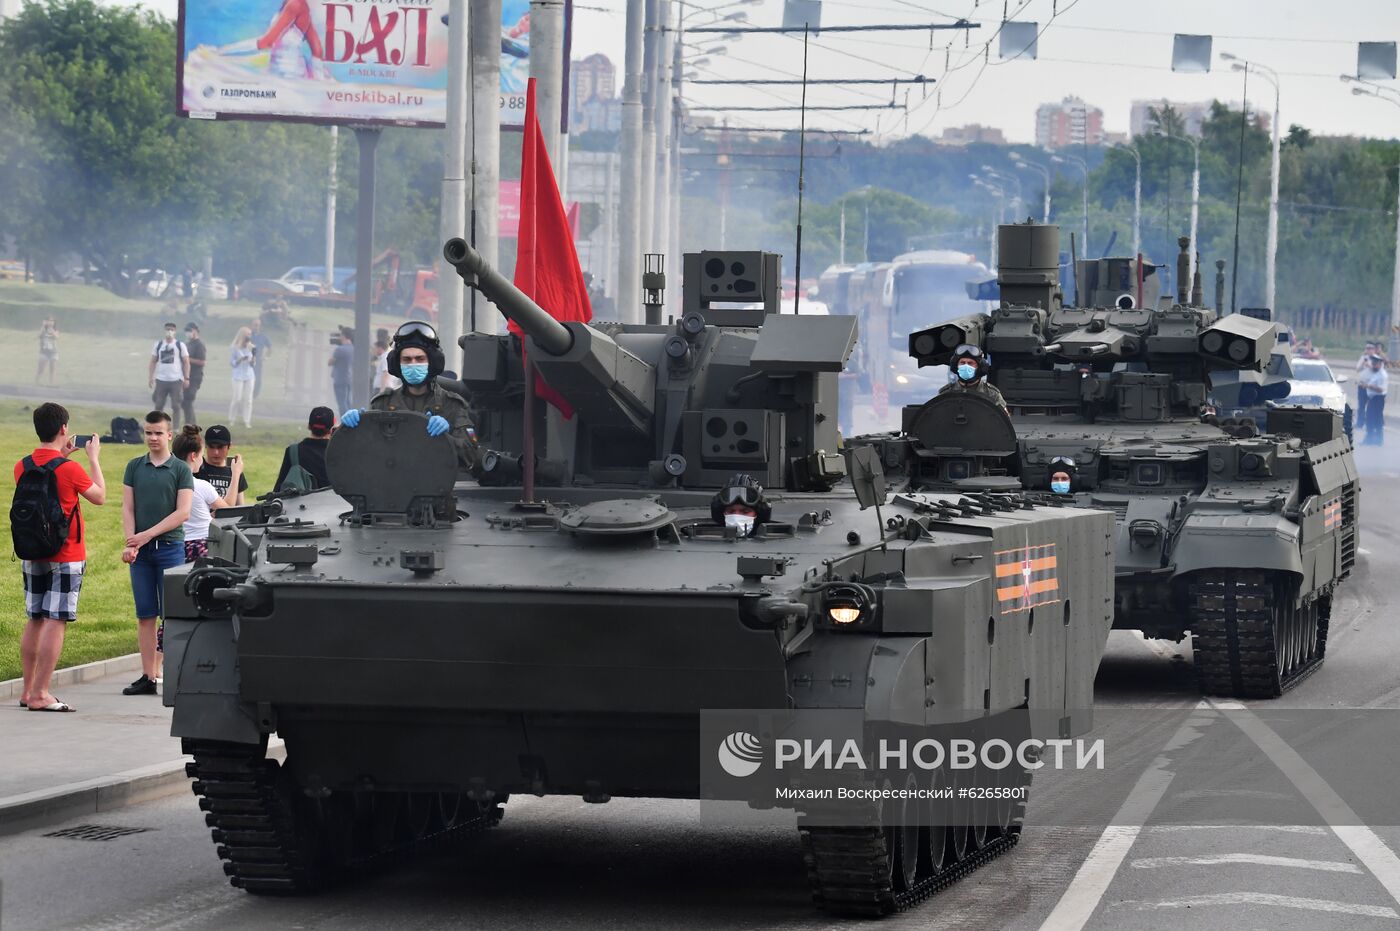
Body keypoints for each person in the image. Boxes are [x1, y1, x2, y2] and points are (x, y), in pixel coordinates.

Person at [14, 403, 106, 713]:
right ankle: (42, 693)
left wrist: (62, 457)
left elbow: (46, 479)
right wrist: (93, 459)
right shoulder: (70, 469)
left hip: (33, 550)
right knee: (56, 619)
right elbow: (99, 496)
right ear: (64, 429)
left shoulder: (22, 465)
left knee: (35, 618)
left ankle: (28, 690)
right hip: (66, 553)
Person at [340, 322, 483, 475]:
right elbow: (365, 453)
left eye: (420, 359)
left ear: (432, 362)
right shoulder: (383, 403)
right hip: (391, 489)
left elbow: (471, 456)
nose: (413, 364)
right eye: (406, 360)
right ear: (397, 364)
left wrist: (447, 438)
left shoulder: (452, 405)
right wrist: (354, 430)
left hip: (438, 489)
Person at [120, 411, 193, 696]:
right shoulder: (134, 466)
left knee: (171, 615)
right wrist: (131, 543)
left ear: (169, 435)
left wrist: (147, 535)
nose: (152, 438)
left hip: (169, 549)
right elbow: (128, 507)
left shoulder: (180, 469)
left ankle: (174, 675)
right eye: (148, 432)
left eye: (158, 433)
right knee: (145, 614)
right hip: (141, 552)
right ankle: (148, 676)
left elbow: (183, 512)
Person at [274, 406, 335, 491]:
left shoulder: (293, 451)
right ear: (331, 430)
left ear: (309, 426)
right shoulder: (338, 452)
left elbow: (278, 489)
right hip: (334, 503)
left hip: (301, 504)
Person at [937, 344, 1007, 410]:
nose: (966, 366)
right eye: (962, 362)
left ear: (980, 367)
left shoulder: (992, 394)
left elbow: (1003, 420)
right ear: (956, 366)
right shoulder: (946, 393)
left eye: (970, 363)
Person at [149, 322, 190, 429]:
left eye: (171, 329)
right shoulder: (158, 345)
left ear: (175, 331)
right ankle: (158, 425)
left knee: (176, 405)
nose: (169, 332)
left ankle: (176, 428)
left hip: (176, 380)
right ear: (164, 330)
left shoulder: (180, 345)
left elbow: (186, 361)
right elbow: (153, 361)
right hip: (161, 379)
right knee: (158, 405)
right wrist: (151, 377)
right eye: (167, 329)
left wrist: (186, 378)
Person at [195, 425, 248, 505]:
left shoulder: (235, 471)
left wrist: (236, 474)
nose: (216, 452)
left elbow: (240, 507)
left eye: (220, 447)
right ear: (205, 445)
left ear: (229, 446)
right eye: (211, 447)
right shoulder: (196, 468)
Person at [229, 327, 256, 428]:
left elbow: (253, 364)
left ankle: (247, 420)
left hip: (249, 375)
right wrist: (240, 360)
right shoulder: (235, 347)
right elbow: (232, 363)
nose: (249, 336)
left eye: (250, 334)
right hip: (238, 375)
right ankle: (232, 419)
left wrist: (253, 356)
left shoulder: (251, 347)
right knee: (237, 398)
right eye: (247, 334)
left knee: (248, 399)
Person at [1359, 354, 1388, 447]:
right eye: (1373, 363)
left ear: (1379, 364)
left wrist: (1368, 386)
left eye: (1375, 364)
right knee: (1370, 419)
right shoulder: (1377, 373)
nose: (1373, 365)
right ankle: (1370, 439)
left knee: (1377, 419)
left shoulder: (1382, 375)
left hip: (1378, 399)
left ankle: (1378, 439)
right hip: (1373, 398)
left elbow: (1381, 389)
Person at [182, 322, 207, 427]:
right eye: (187, 331)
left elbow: (202, 362)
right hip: (186, 375)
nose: (188, 333)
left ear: (195, 331)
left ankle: (191, 424)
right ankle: (191, 423)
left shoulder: (199, 345)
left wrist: (187, 359)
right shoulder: (188, 344)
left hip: (195, 376)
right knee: (185, 401)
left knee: (188, 399)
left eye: (190, 331)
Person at [329, 326, 355, 415]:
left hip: (339, 379)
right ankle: (352, 420)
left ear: (343, 336)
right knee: (348, 402)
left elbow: (330, 362)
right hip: (349, 378)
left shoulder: (339, 349)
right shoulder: (353, 348)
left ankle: (345, 422)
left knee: (342, 403)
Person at [249, 317, 273, 398]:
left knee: (258, 379)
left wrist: (265, 357)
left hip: (258, 361)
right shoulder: (248, 336)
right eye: (255, 325)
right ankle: (247, 393)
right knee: (248, 377)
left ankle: (255, 395)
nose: (256, 327)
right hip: (248, 361)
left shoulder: (263, 337)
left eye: (258, 325)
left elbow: (270, 347)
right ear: (251, 325)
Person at [36, 316, 58, 385]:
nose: (51, 322)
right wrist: (43, 326)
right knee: (41, 369)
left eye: (52, 321)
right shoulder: (43, 329)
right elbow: (39, 336)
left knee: (52, 369)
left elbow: (56, 337)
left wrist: (52, 329)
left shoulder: (55, 330)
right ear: (46, 321)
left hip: (53, 352)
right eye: (49, 321)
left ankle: (52, 383)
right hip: (44, 352)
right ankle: (37, 382)